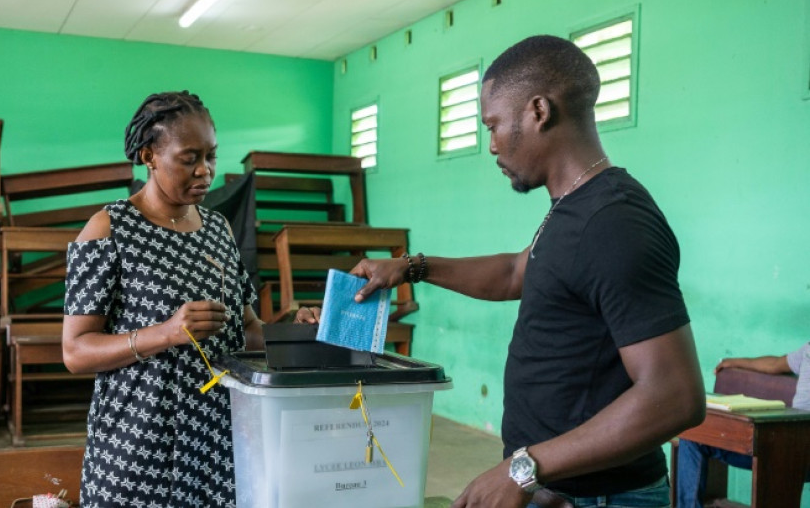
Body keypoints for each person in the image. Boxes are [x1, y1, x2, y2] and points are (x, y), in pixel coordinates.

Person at [300, 35, 706, 508]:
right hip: (556, 487)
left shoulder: (613, 222)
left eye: (493, 125)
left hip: (601, 497)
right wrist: (412, 267)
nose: (491, 145)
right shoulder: (574, 207)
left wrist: (522, 470)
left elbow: (675, 396)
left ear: (538, 111)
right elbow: (517, 272)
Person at [62, 91, 261, 508]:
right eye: (189, 158)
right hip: (137, 447)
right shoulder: (109, 229)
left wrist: (298, 327)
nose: (204, 171)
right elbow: (76, 351)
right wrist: (167, 333)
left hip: (216, 443)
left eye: (211, 155)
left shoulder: (218, 229)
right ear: (149, 156)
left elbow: (249, 330)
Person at [675, 343, 810, 508]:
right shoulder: (807, 350)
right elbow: (774, 364)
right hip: (781, 443)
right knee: (694, 437)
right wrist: (735, 362)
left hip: (799, 451)